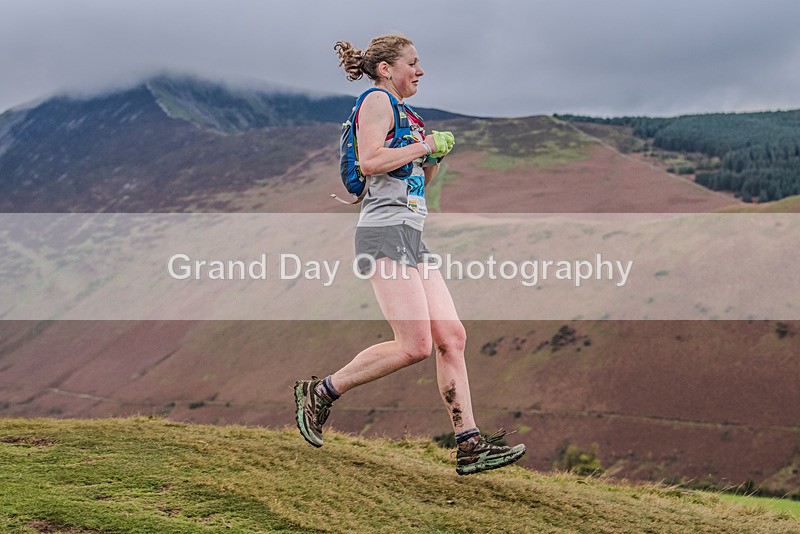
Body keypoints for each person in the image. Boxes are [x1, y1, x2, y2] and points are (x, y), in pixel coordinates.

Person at [294, 33, 526, 475]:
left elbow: (416, 184)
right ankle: (320, 392)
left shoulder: (409, 115)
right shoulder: (376, 100)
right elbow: (369, 162)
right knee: (414, 346)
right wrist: (424, 146)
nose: (420, 71)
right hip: (383, 233)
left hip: (411, 235)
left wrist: (434, 157)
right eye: (413, 63)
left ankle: (470, 443)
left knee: (451, 337)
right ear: (387, 68)